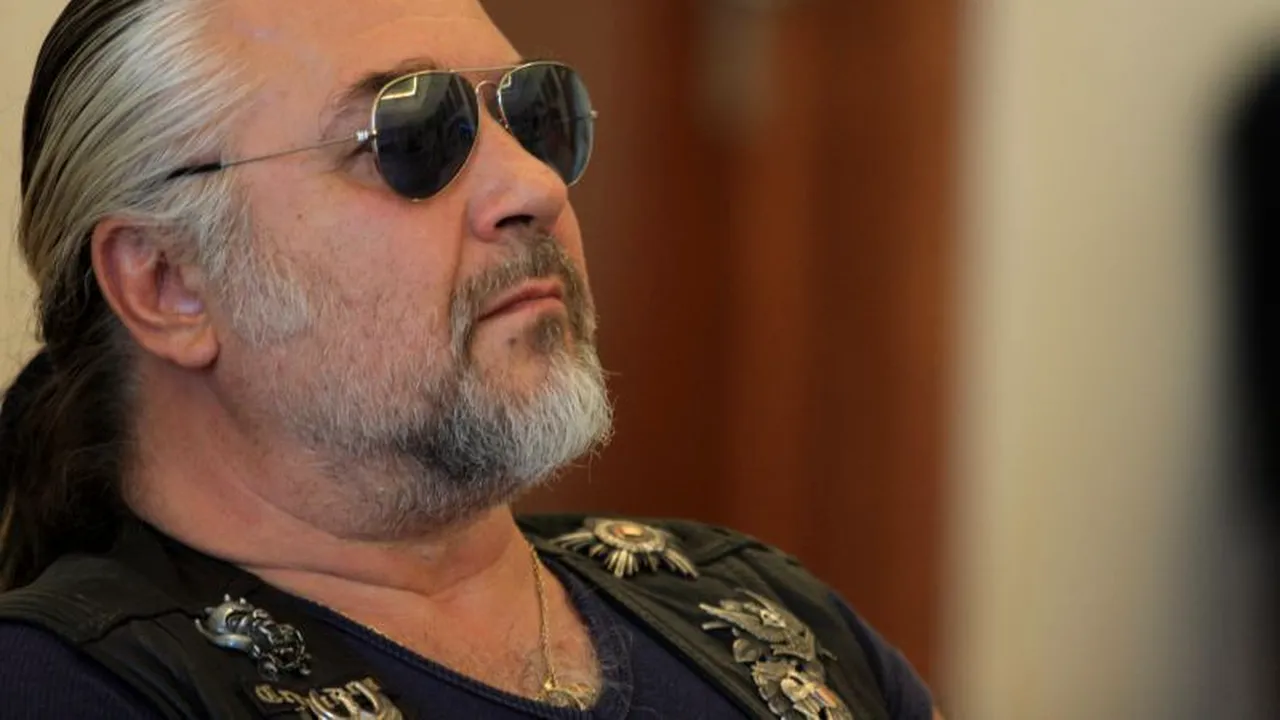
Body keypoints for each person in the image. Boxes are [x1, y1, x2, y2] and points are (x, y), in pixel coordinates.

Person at [0, 1, 939, 718]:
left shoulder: (765, 614)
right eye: (409, 138)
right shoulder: (69, 686)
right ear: (167, 282)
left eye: (534, 116)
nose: (535, 185)